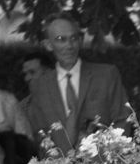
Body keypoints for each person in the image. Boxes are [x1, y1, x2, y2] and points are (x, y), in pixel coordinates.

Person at [26, 11, 132, 153]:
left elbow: (123, 121)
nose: (69, 45)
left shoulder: (106, 75)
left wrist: (107, 162)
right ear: (48, 45)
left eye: (74, 38)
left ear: (80, 40)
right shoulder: (39, 86)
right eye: (60, 39)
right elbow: (38, 135)